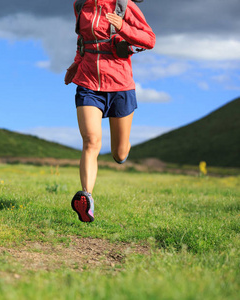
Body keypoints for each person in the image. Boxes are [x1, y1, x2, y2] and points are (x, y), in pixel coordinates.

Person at [64, 0, 155, 222]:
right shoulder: (80, 5)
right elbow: (83, 41)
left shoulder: (123, 5)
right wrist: (75, 65)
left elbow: (149, 39)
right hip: (88, 83)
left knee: (119, 153)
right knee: (91, 141)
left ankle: (122, 151)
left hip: (120, 84)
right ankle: (87, 197)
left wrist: (123, 27)